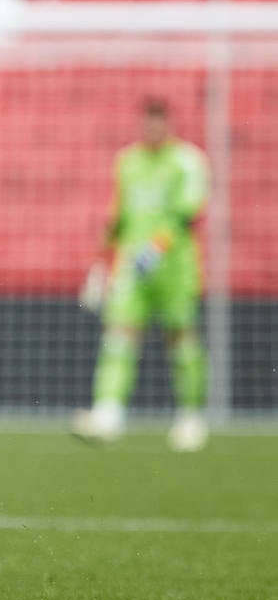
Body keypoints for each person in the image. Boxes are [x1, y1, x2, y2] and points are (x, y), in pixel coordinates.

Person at [73, 98, 210, 451]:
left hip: (175, 268)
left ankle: (191, 417)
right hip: (133, 268)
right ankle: (108, 414)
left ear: (169, 123)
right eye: (146, 123)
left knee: (181, 341)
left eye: (158, 122)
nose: (152, 129)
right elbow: (117, 215)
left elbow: (189, 213)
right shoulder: (127, 162)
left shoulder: (187, 161)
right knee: (119, 337)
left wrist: (157, 247)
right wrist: (101, 260)